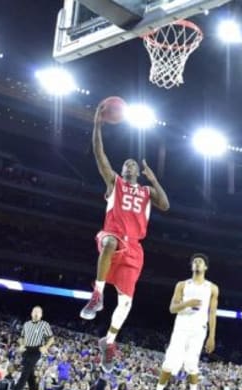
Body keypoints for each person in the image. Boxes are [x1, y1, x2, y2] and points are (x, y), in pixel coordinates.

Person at [80, 102, 170, 372]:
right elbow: (99, 154)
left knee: (127, 301)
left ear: (138, 171)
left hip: (135, 248)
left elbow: (165, 204)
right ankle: (97, 295)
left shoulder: (145, 191)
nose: (130, 166)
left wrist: (154, 180)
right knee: (108, 242)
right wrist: (97, 125)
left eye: (133, 165)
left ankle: (108, 341)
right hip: (114, 234)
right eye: (126, 164)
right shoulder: (114, 182)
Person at [148, 253, 219, 390]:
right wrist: (187, 303)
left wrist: (212, 336)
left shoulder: (212, 288)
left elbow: (212, 313)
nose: (198, 263)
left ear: (205, 267)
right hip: (181, 326)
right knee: (169, 361)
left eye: (200, 262)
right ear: (192, 266)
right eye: (195, 262)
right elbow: (172, 309)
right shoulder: (182, 285)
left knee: (192, 363)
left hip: (199, 329)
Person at [5, 306, 55, 390]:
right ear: (31, 313)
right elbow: (21, 337)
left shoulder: (44, 324)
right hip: (27, 350)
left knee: (25, 373)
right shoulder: (26, 324)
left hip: (36, 350)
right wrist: (21, 345)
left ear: (41, 315)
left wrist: (45, 347)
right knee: (30, 375)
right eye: (34, 311)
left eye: (38, 312)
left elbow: (51, 338)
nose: (36, 313)